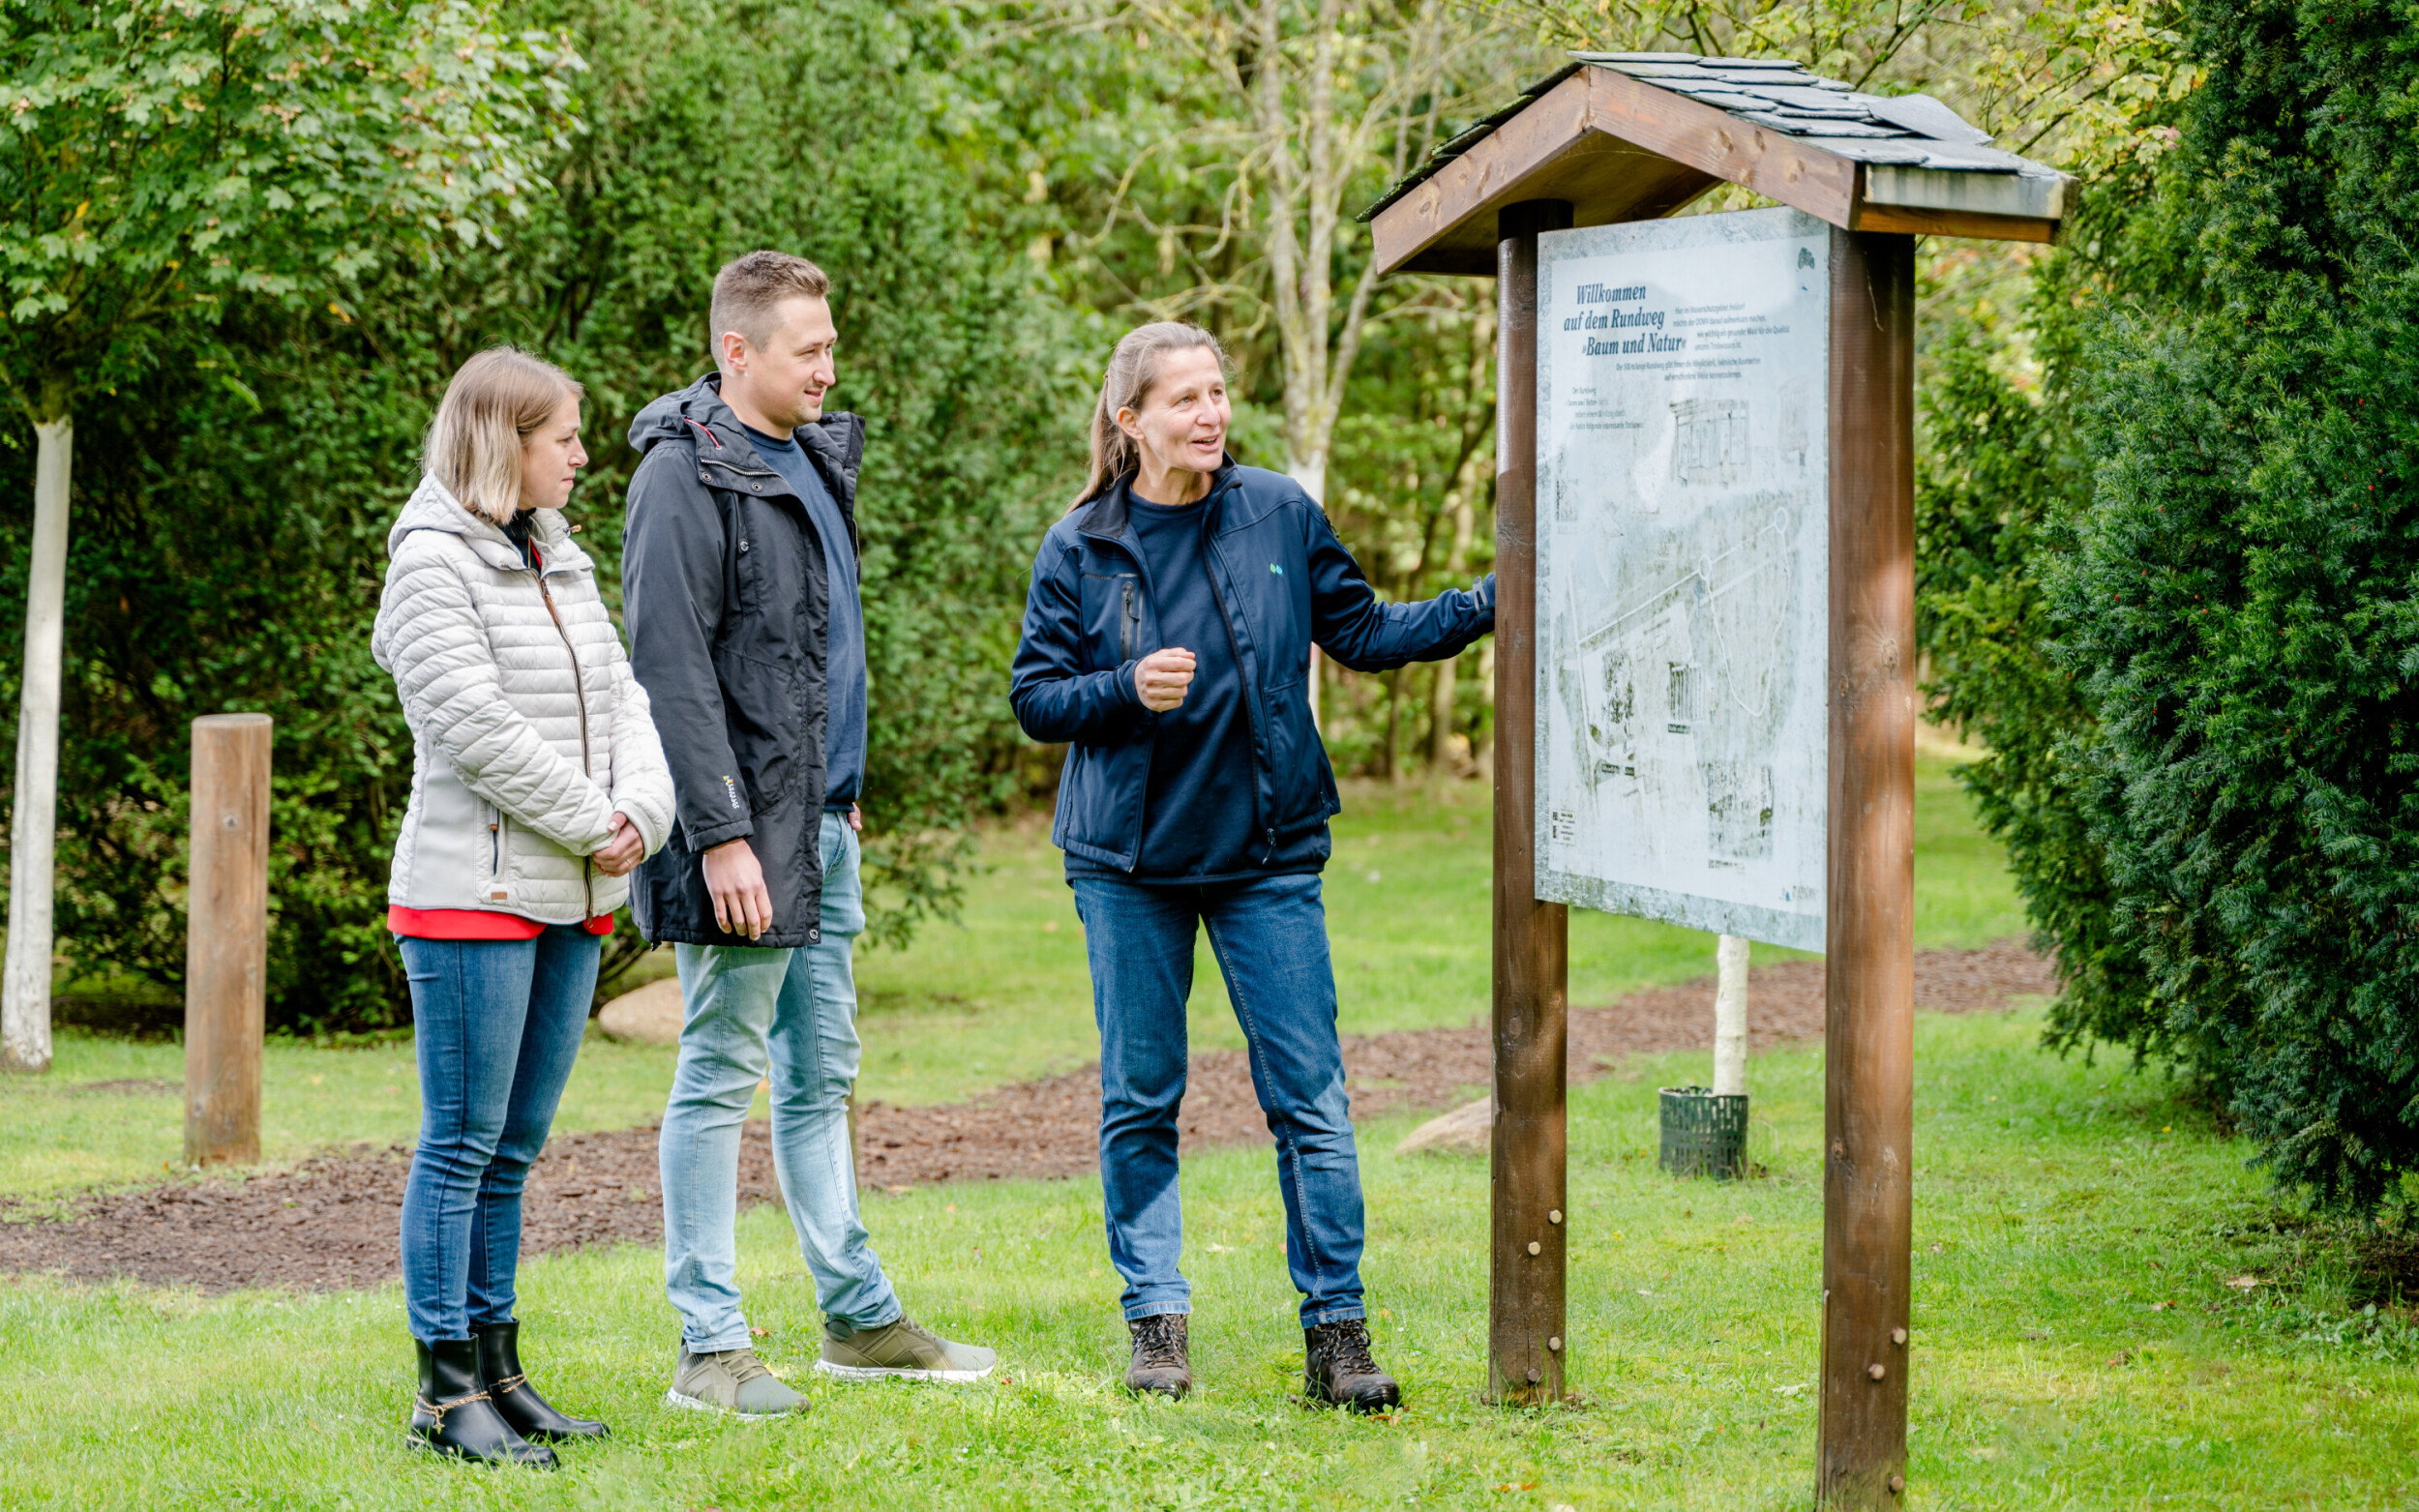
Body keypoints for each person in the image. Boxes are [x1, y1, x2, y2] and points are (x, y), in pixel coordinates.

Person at [1008, 321, 1495, 1411]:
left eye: (1219, 392)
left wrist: (1486, 604)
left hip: (1266, 855)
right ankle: (1157, 1325)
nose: (1212, 413)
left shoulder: (1277, 511)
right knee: (1141, 1096)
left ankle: (1338, 1339)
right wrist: (1124, 687)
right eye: (1184, 398)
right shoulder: (1078, 546)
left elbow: (1362, 631)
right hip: (1126, 866)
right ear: (1129, 420)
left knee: (1310, 1100)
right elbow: (1036, 697)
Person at [622, 250, 996, 1418]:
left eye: (832, 346)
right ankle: (710, 1347)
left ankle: (858, 1319)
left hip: (820, 826)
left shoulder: (812, 461)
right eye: (809, 350)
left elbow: (805, 652)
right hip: (739, 840)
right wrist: (724, 834)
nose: (829, 367)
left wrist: (838, 785)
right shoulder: (682, 477)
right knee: (720, 1069)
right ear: (738, 350)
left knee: (821, 1074)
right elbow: (672, 666)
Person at [373, 347, 676, 1467]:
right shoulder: (429, 566)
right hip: (471, 898)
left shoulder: (558, 556)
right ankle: (445, 1398)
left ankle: (501, 1372)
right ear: (506, 442)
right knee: (460, 1143)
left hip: (571, 895)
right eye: (566, 438)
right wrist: (599, 820)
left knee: (514, 1148)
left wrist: (645, 808)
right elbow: (471, 727)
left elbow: (626, 696)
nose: (583, 456)